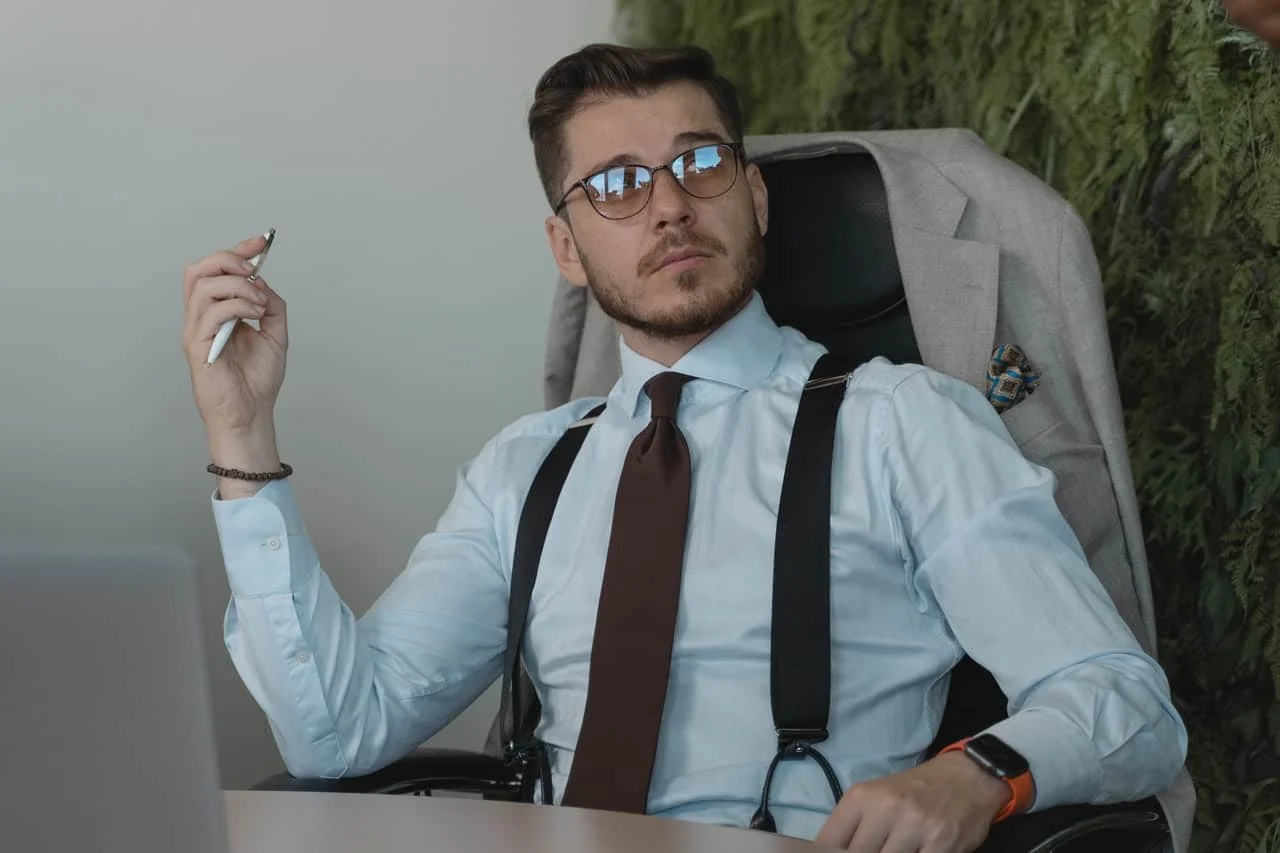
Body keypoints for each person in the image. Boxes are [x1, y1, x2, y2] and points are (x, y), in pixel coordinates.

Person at [181, 43, 1187, 853]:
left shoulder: (904, 424)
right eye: (616, 184)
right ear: (566, 249)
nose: (667, 204)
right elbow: (337, 730)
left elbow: (1123, 702)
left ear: (750, 199)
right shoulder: (523, 470)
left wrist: (973, 773)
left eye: (697, 164)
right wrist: (242, 433)